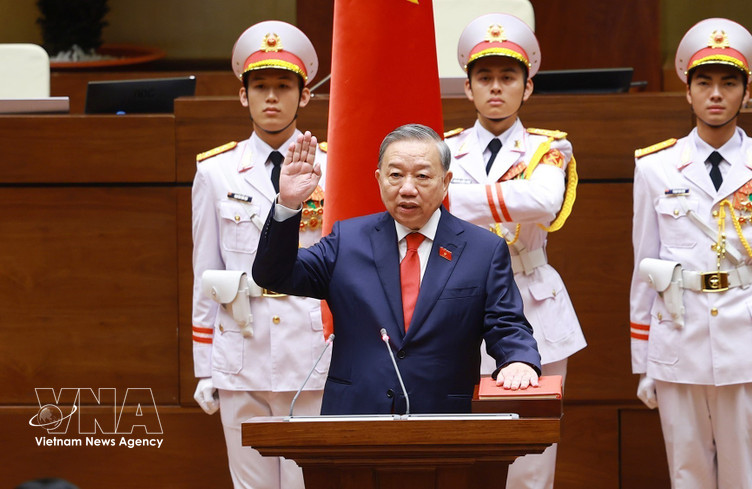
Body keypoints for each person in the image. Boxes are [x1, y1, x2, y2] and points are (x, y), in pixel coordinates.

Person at [252, 123, 543, 415]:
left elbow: (507, 324)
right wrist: (288, 203)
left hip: (443, 418)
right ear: (379, 179)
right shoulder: (347, 241)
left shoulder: (483, 250)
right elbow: (274, 275)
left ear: (445, 182)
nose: (407, 188)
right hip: (355, 417)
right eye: (395, 175)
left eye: (422, 176)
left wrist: (518, 360)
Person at [630, 18, 752, 489]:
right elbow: (644, 265)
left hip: (748, 338)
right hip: (677, 335)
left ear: (746, 92)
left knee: (743, 475)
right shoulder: (655, 166)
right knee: (685, 472)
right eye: (703, 82)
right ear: (687, 92)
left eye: (729, 83)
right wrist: (644, 360)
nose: (715, 94)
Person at [443, 13, 587, 489]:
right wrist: (507, 197)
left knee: (531, 462)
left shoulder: (549, 148)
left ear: (528, 88)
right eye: (484, 77)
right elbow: (426, 204)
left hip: (533, 301)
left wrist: (453, 197)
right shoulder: (442, 149)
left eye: (508, 77)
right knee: (465, 452)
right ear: (468, 88)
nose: (496, 87)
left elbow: (543, 201)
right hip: (458, 300)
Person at [190, 20, 329, 489]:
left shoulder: (331, 165)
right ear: (243, 95)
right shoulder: (216, 172)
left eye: (284, 86)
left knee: (309, 482)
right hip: (240, 348)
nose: (272, 97)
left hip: (310, 350)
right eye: (260, 86)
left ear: (304, 96)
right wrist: (205, 366)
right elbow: (206, 273)